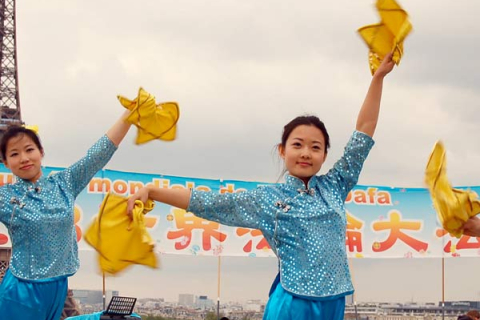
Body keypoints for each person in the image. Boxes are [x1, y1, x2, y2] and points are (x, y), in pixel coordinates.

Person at [127, 53, 395, 320]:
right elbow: (209, 203)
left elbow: (364, 130)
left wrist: (378, 78)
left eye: (316, 147)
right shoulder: (268, 199)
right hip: (293, 304)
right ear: (282, 150)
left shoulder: (335, 185)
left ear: (325, 155)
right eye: (297, 145)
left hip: (335, 300)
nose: (306, 153)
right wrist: (153, 191)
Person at [0, 110, 132, 320]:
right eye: (14, 154)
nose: (24, 158)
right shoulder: (5, 197)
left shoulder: (65, 183)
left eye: (29, 149)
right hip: (21, 292)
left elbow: (98, 155)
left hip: (58, 285)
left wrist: (128, 117)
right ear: (5, 163)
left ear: (41, 152)